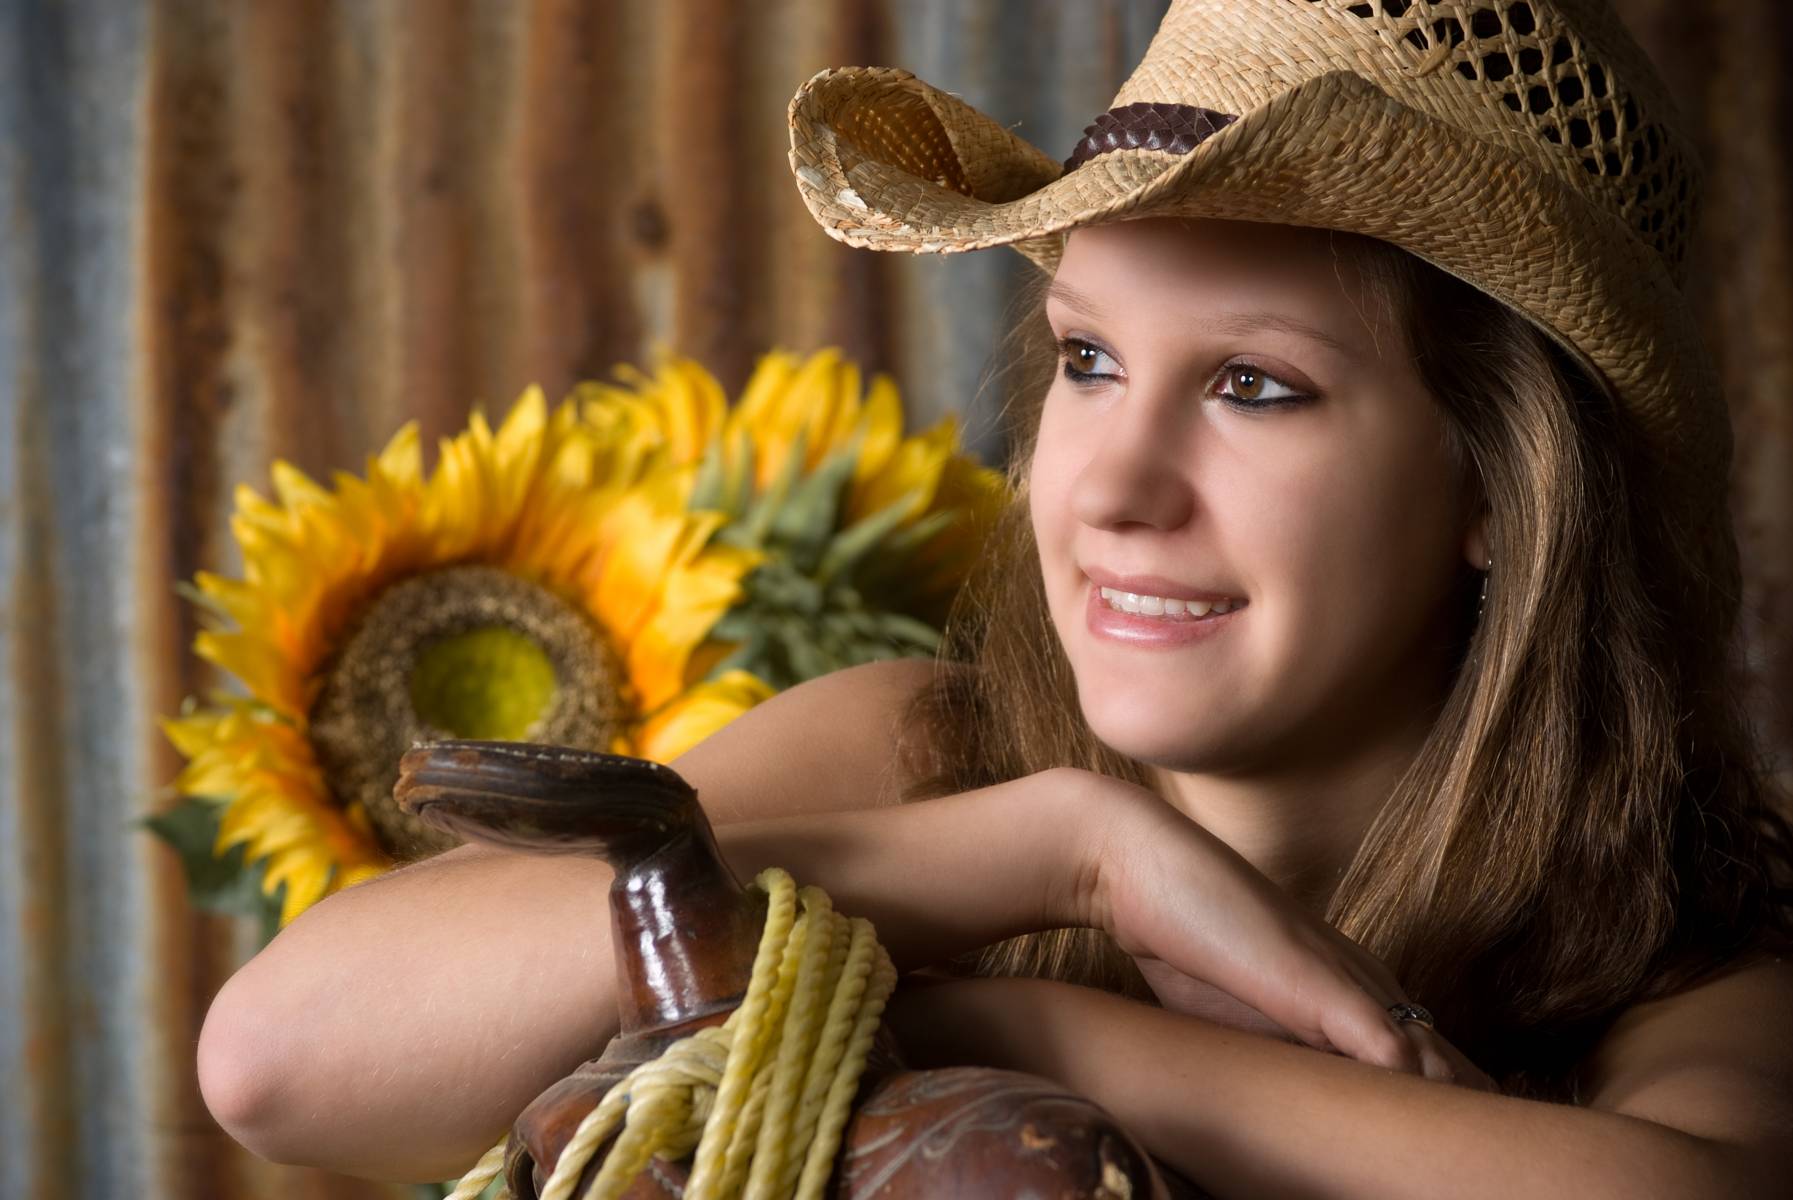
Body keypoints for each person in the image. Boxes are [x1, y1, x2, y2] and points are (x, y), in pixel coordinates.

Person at [197, 1, 1793, 1194]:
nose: (1107, 489)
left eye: (1252, 385)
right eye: (1088, 360)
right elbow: (284, 1061)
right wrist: (1057, 850)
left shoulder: (1675, 946)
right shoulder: (919, 753)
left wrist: (1029, 1031)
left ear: (1501, 491)